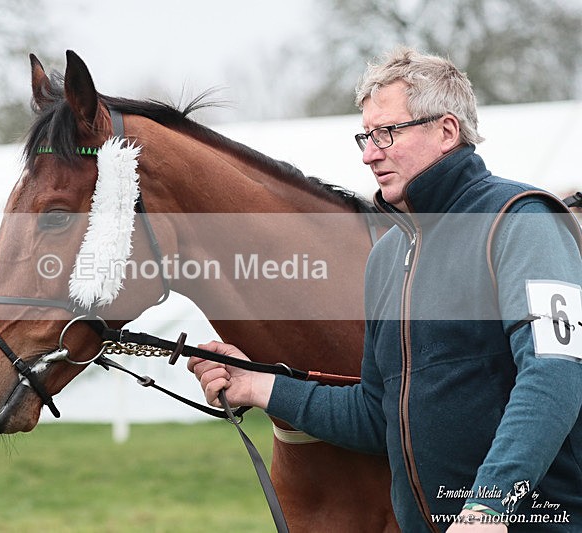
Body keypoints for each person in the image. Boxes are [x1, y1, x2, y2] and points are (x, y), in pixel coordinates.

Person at [188, 46, 582, 532]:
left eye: (387, 133)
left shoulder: (521, 220)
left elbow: (555, 376)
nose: (369, 153)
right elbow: (378, 416)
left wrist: (488, 506)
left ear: (446, 131)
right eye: (366, 136)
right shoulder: (388, 256)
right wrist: (257, 384)